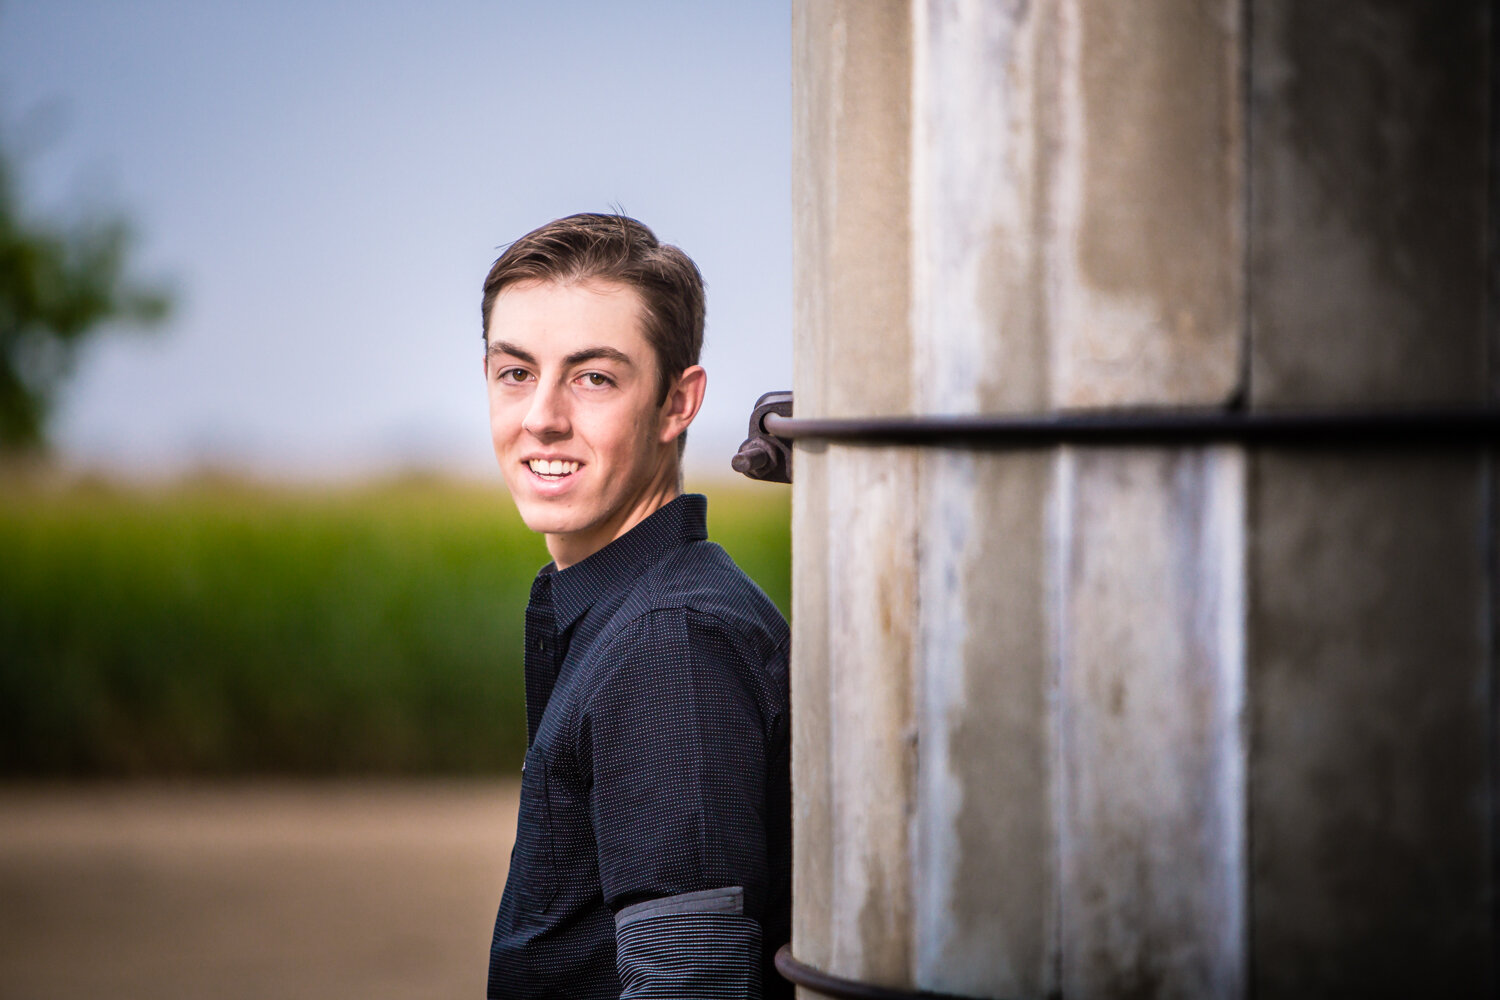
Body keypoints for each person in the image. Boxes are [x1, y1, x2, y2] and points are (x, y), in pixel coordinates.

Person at [481, 213, 791, 999]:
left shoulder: (669, 645)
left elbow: (693, 984)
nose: (542, 417)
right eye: (516, 372)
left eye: (594, 378)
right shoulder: (625, 615)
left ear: (676, 403)